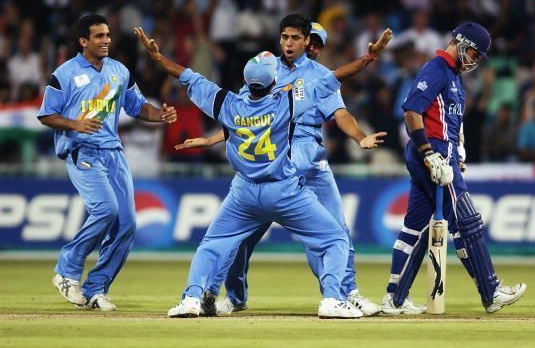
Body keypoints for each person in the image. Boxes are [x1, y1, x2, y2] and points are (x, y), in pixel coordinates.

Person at [134, 27, 363, 319]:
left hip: (243, 192)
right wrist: (369, 57)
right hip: (283, 190)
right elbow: (334, 78)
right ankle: (332, 299)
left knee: (212, 246)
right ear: (275, 81)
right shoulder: (287, 103)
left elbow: (189, 77)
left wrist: (157, 57)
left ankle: (191, 298)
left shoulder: (227, 104)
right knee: (335, 239)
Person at [382, 22, 527, 314]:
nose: (474, 59)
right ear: (460, 43)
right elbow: (412, 111)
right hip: (434, 154)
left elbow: (450, 124)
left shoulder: (454, 77)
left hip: (443, 153)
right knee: (468, 221)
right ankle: (491, 291)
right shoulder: (436, 69)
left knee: (416, 227)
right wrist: (428, 153)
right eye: (473, 51)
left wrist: (457, 151)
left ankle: (394, 298)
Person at [38, 14, 177, 311]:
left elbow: (138, 108)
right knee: (106, 209)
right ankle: (67, 269)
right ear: (83, 41)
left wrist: (160, 115)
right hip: (82, 151)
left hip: (114, 153)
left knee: (126, 224)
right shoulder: (64, 74)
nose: (106, 41)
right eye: (99, 36)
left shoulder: (119, 71)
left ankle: (96, 288)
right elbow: (46, 114)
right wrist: (74, 125)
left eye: (108, 35)